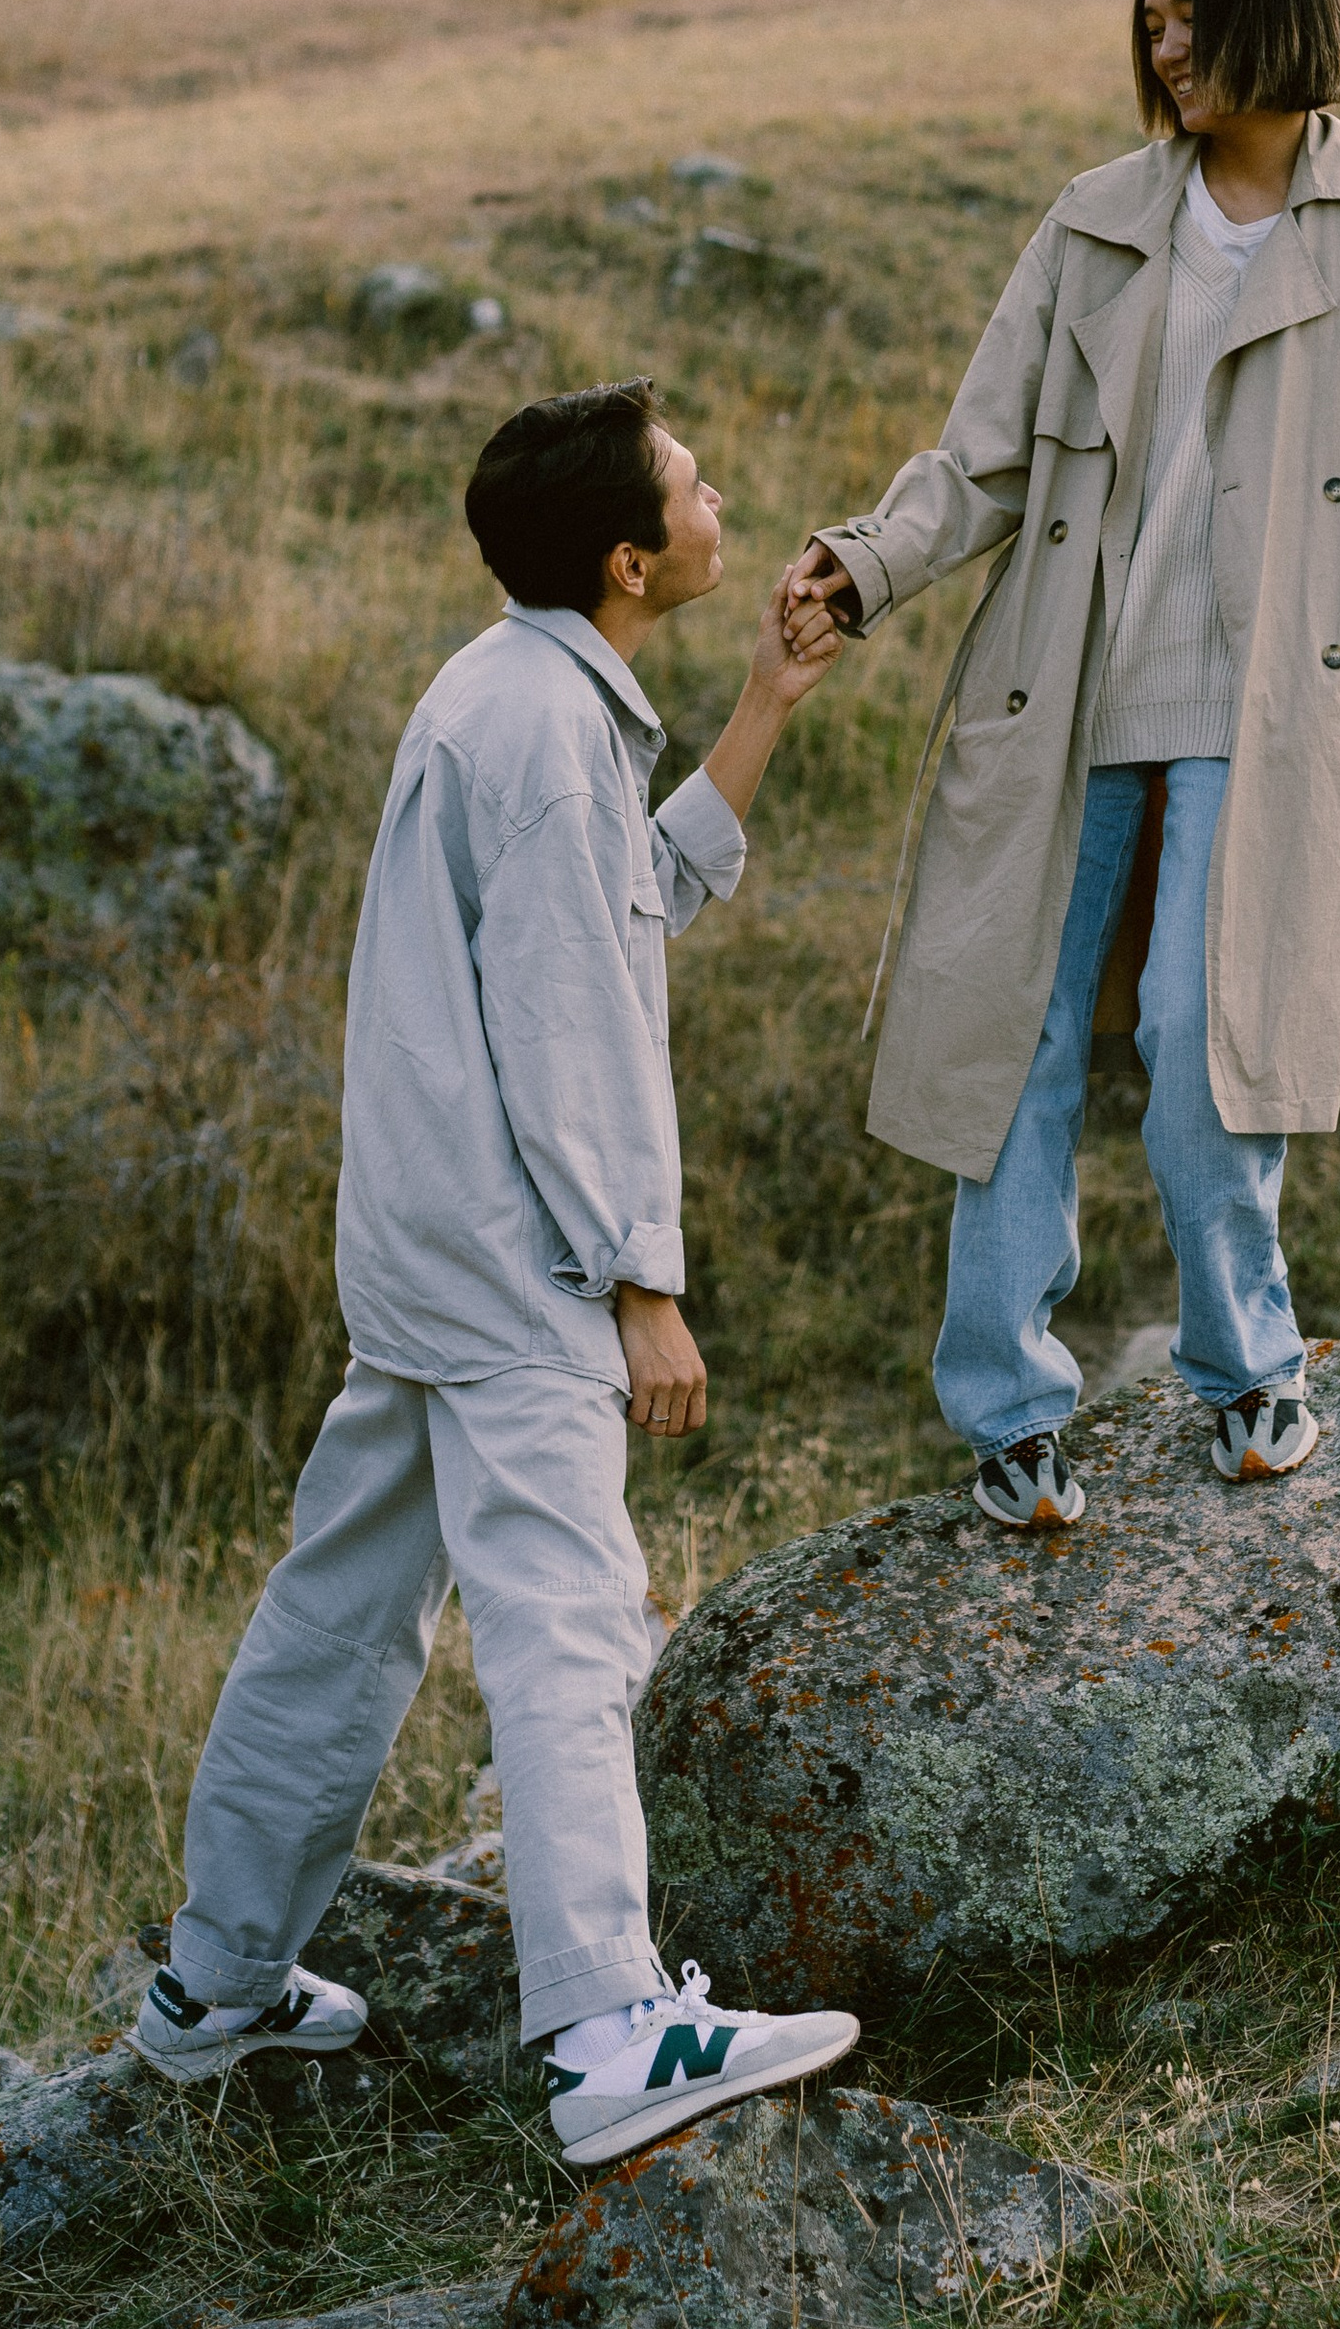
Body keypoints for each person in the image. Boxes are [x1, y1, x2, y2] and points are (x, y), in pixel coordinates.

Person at [138, 380, 860, 2168]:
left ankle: (215, 1979)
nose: (720, 500)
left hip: (427, 1240)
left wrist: (767, 701)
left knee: (342, 1608)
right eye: (695, 486)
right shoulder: (542, 736)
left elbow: (632, 906)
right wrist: (641, 1281)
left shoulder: (525, 689)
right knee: (566, 1616)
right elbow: (571, 1028)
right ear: (631, 559)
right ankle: (610, 2029)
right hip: (517, 1249)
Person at [783, 0, 1340, 1531]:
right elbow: (983, 456)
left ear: (1273, 14)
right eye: (1149, 21)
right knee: (1013, 1038)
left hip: (1276, 701)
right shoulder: (1095, 218)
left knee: (1198, 1041)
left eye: (1191, 18)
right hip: (1070, 679)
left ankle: (1250, 1370)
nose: (1164, 47)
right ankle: (1012, 1413)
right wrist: (865, 564)